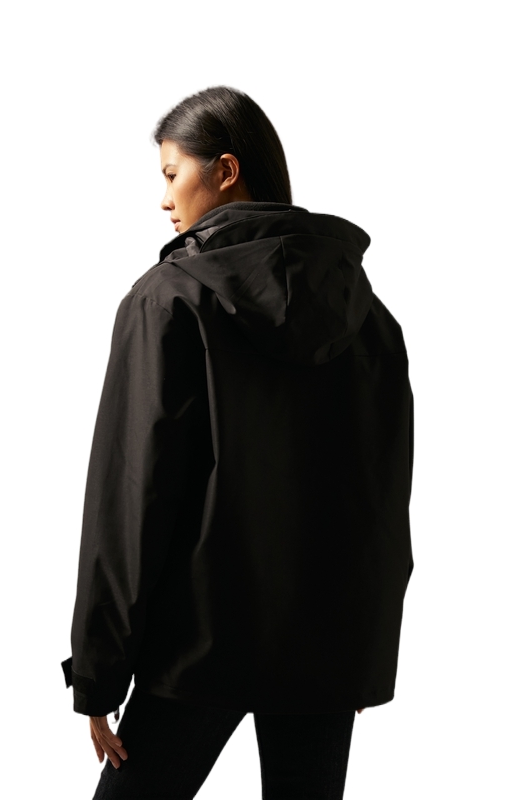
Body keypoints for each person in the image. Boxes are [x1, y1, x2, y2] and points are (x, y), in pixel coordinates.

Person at [60, 85, 415, 799]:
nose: (164, 199)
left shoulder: (168, 299)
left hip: (198, 644)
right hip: (324, 648)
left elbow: (131, 498)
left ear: (225, 171)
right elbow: (380, 495)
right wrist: (359, 647)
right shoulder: (365, 313)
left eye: (172, 173)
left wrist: (98, 671)